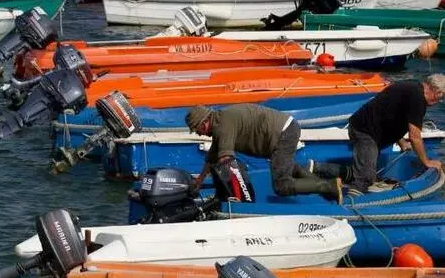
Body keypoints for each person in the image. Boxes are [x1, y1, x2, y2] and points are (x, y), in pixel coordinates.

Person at [310, 75, 445, 195]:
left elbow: (391, 114)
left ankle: (316, 168)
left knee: (364, 173)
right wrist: (426, 162)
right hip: (365, 131)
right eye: (441, 96)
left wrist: (402, 142)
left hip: (367, 129)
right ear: (437, 92)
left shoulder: (413, 87)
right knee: (364, 179)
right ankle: (350, 204)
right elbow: (415, 136)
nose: (439, 100)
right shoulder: (418, 98)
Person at [186, 103, 343, 203]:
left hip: (283, 133)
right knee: (290, 168)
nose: (198, 134)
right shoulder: (220, 123)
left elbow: (226, 159)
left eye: (197, 130)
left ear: (204, 122)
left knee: (281, 185)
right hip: (284, 130)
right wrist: (199, 180)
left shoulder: (223, 125)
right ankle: (330, 191)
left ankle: (328, 186)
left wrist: (237, 197)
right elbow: (212, 157)